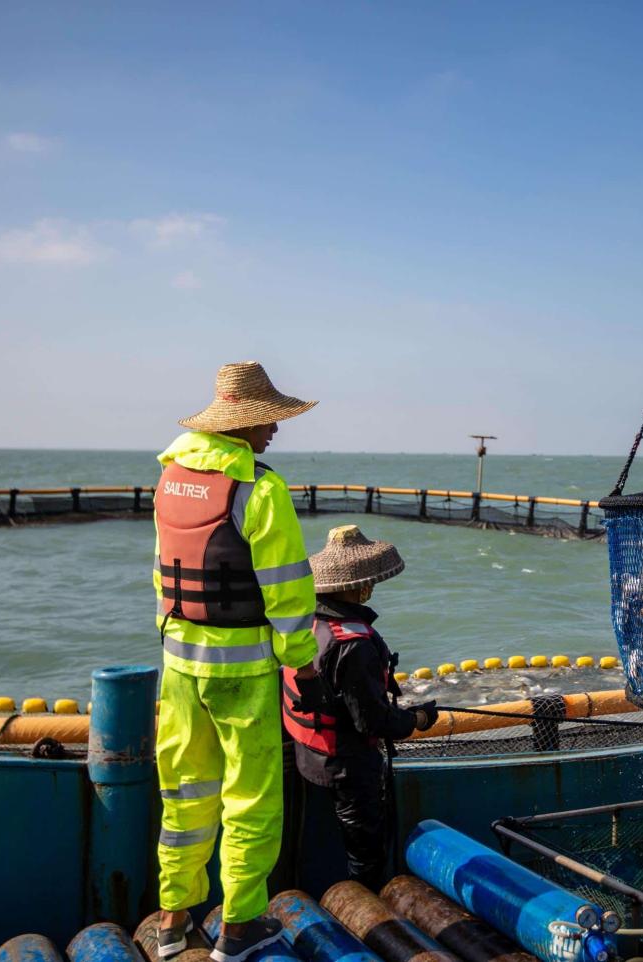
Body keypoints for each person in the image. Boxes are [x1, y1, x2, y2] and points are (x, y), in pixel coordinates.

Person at [152, 361, 327, 962]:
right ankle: (239, 926)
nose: (274, 430)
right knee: (250, 799)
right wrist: (303, 663)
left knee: (185, 794)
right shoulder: (260, 488)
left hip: (179, 666)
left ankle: (172, 921)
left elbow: (162, 572)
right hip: (242, 673)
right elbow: (287, 589)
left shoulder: (170, 477)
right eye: (268, 420)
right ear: (242, 424)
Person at [281, 524, 439, 891]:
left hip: (307, 754)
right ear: (361, 587)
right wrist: (416, 719)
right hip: (346, 767)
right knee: (365, 854)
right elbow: (372, 721)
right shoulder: (353, 645)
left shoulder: (304, 624)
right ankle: (366, 907)